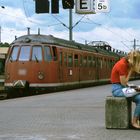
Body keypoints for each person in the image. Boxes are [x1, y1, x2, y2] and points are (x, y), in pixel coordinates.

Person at [111, 50, 140, 129]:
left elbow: (125, 84)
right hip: (117, 90)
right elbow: (123, 83)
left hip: (123, 88)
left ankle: (136, 120)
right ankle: (134, 122)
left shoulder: (125, 63)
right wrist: (130, 71)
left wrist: (135, 88)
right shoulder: (122, 65)